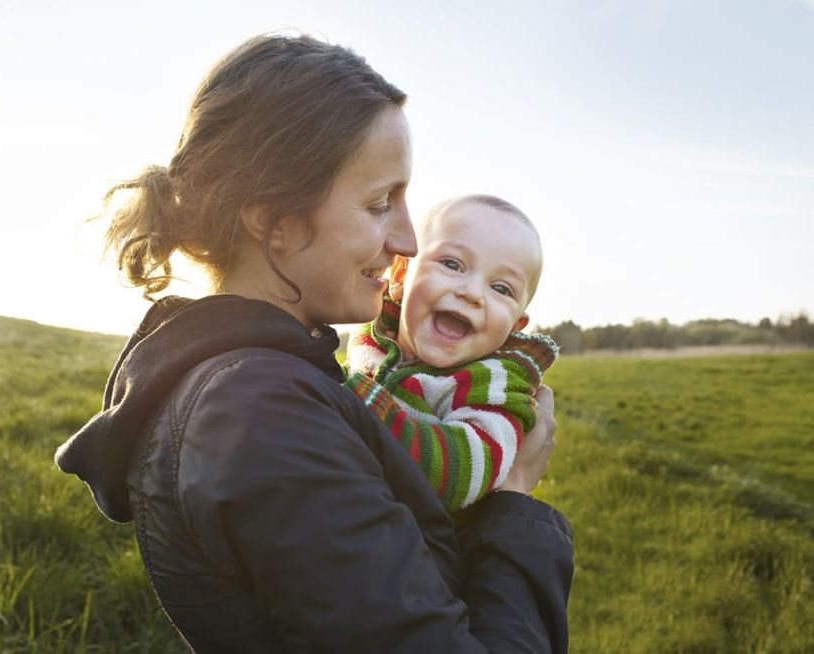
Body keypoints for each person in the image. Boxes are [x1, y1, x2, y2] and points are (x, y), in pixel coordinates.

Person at [55, 33, 573, 653]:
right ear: (272, 215)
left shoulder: (271, 384)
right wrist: (514, 498)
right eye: (381, 202)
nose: (408, 241)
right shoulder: (260, 415)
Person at [345, 195, 560, 513]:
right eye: (452, 264)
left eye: (501, 288)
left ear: (514, 327)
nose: (471, 293)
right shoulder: (372, 332)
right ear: (402, 276)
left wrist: (352, 405)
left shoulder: (494, 385)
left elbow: (459, 475)